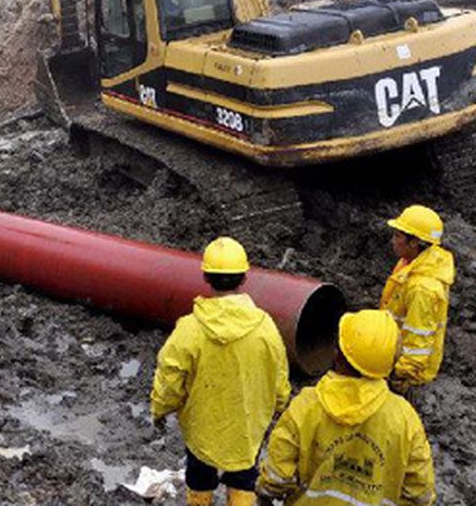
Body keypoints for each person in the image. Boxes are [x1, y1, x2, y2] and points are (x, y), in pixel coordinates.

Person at [151, 237, 290, 506]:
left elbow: (170, 379)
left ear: (205, 277)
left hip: (202, 429)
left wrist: (159, 409)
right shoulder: (265, 328)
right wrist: (279, 406)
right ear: (244, 278)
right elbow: (279, 376)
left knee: (200, 476)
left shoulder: (189, 329)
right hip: (247, 428)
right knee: (243, 477)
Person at [257, 310, 435, 505]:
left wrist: (265, 494)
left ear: (338, 356)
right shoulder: (405, 419)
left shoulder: (306, 406)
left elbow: (277, 475)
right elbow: (420, 492)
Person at [380, 205, 455, 398]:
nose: (392, 241)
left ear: (414, 242)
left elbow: (418, 342)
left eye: (397, 236)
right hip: (393, 351)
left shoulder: (422, 289)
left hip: (410, 375)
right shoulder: (413, 261)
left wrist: (399, 376)